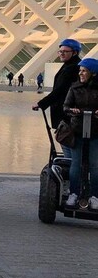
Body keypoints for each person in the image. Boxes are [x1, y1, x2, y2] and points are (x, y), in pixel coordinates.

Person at [33, 39, 82, 158]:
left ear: (74, 52)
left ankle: (72, 172)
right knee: (69, 144)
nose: (61, 54)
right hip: (67, 112)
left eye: (65, 51)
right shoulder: (70, 65)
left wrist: (41, 103)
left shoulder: (72, 68)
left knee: (67, 143)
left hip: (66, 114)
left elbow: (59, 91)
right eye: (60, 51)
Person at [63, 57, 98, 209]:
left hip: (96, 131)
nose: (81, 73)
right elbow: (65, 106)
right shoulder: (74, 88)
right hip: (77, 131)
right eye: (80, 71)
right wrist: (72, 110)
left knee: (95, 165)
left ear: (93, 73)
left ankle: (94, 196)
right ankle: (73, 194)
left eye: (84, 71)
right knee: (75, 164)